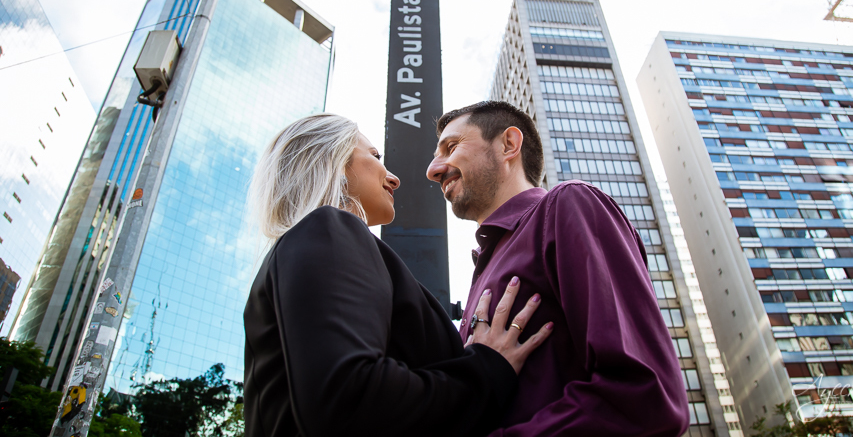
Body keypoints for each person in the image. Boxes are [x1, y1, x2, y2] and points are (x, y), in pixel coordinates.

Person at [243, 113, 553, 437]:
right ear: (332, 159)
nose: (394, 179)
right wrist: (488, 367)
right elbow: (349, 399)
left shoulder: (306, 247)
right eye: (375, 156)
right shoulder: (329, 228)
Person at [426, 101, 690, 436]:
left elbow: (646, 399)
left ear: (509, 144)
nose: (433, 170)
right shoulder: (485, 264)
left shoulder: (569, 204)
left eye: (451, 147)